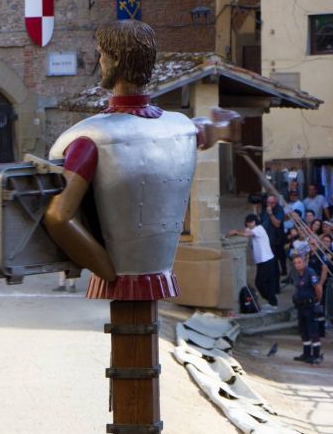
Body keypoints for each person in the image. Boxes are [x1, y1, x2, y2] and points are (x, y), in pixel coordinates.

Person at [41, 19, 236, 303]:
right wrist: (228, 126)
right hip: (161, 269)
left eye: (101, 54)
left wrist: (105, 269)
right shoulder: (181, 127)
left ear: (116, 59)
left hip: (121, 276)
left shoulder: (90, 139)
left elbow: (58, 218)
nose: (99, 61)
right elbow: (208, 130)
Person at [228, 214, 280, 310]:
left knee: (260, 282)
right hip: (263, 260)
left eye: (252, 222)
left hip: (266, 260)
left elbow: (246, 234)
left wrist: (235, 232)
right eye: (248, 222)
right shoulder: (253, 229)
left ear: (255, 222)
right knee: (265, 282)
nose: (250, 224)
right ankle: (272, 302)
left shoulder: (259, 229)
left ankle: (272, 301)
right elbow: (246, 231)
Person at [290, 252, 323, 364]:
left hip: (310, 306)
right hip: (300, 306)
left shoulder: (310, 273)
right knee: (303, 330)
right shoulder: (297, 274)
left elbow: (318, 288)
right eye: (295, 263)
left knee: (313, 330)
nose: (297, 265)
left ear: (304, 262)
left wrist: (317, 301)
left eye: (299, 262)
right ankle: (306, 353)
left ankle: (316, 355)